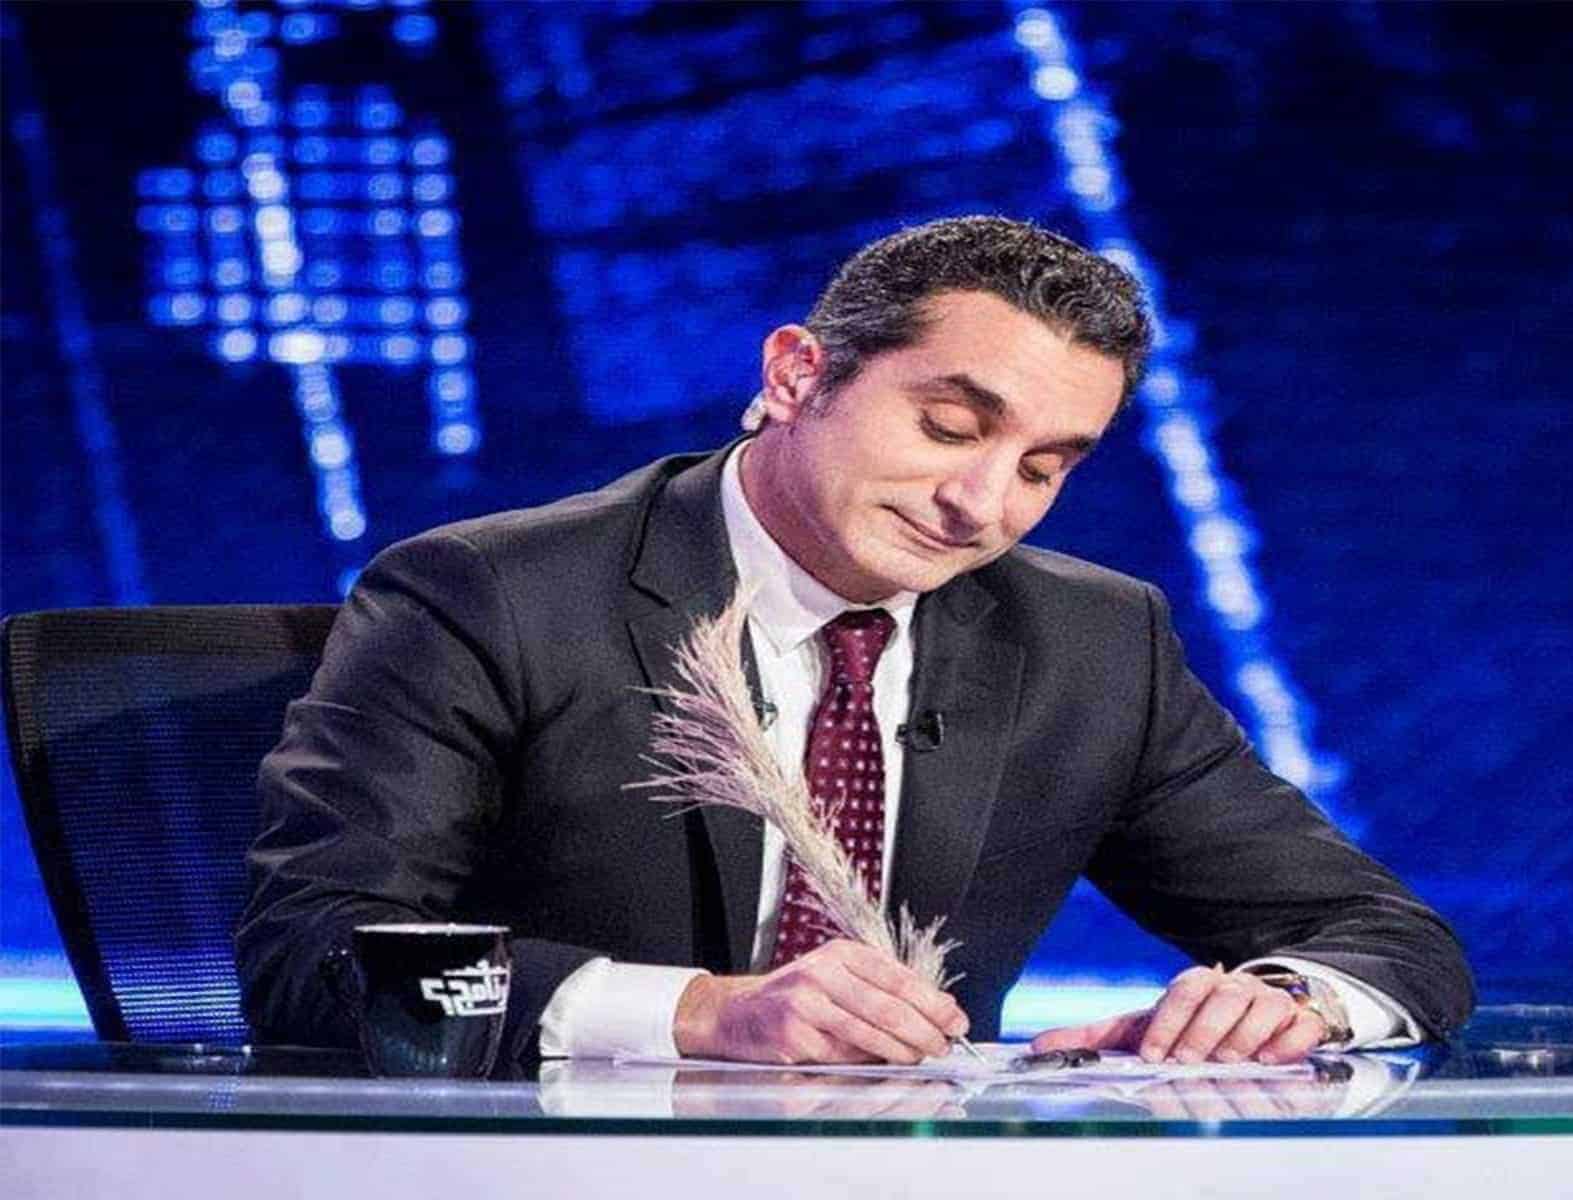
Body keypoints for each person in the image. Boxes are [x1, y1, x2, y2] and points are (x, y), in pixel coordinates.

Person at [238, 216, 1473, 1069]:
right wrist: (704, 1014)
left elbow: (1392, 942)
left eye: (1044, 468)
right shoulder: (490, 595)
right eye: (950, 427)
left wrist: (1289, 1003)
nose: (981, 505)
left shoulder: (1094, 641)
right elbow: (314, 955)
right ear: (795, 374)